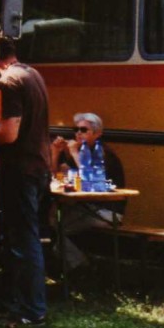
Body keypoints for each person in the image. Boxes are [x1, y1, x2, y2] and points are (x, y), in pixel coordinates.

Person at [0, 36, 51, 328]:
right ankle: (18, 302)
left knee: (23, 240)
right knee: (28, 237)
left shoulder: (9, 82)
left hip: (19, 168)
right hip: (40, 166)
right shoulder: (33, 74)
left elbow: (9, 133)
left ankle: (31, 310)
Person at [50, 112, 126, 270]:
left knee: (55, 227)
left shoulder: (103, 153)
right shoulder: (80, 151)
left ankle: (80, 266)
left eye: (84, 130)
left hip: (107, 211)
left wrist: (74, 153)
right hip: (88, 208)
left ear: (98, 133)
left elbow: (92, 179)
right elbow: (56, 175)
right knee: (51, 221)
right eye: (76, 129)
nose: (78, 133)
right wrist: (56, 153)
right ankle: (75, 263)